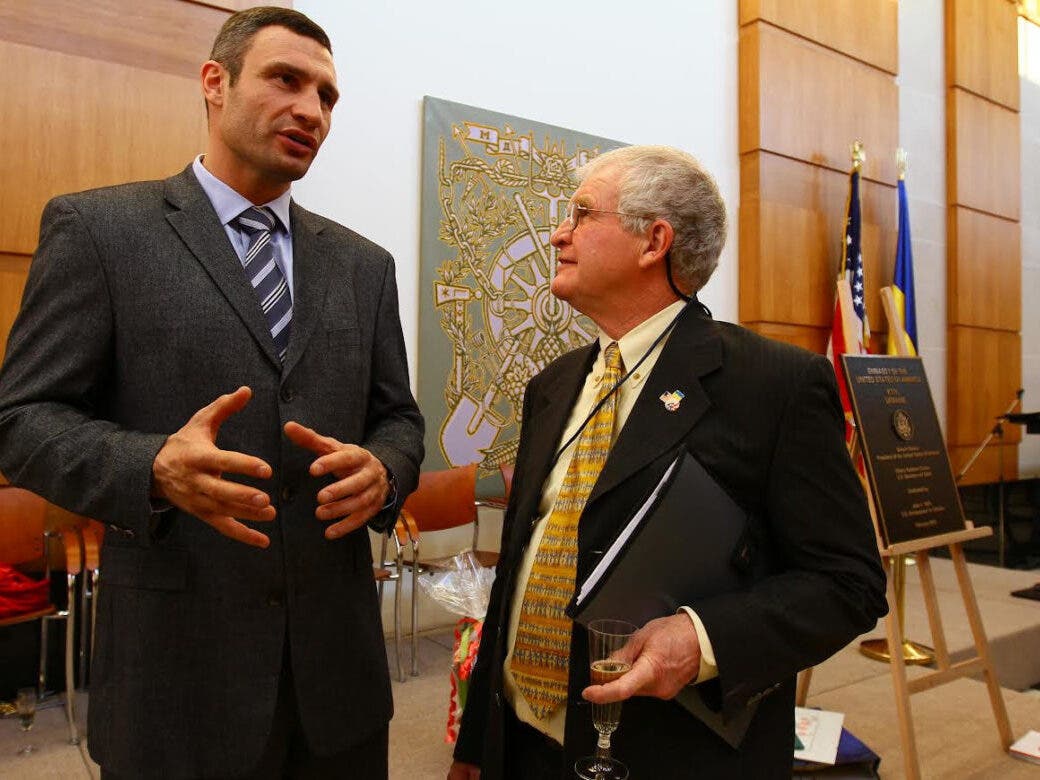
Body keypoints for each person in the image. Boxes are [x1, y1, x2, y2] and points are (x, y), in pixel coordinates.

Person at [0, 7, 423, 778]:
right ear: (214, 84)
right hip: (177, 678)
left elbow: (397, 416)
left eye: (327, 97)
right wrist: (151, 465)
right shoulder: (102, 231)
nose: (310, 110)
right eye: (285, 80)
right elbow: (23, 422)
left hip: (339, 683)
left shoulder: (365, 265)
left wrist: (387, 470)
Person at [448, 145, 887, 779]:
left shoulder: (775, 386)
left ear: (654, 241)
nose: (557, 233)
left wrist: (702, 639)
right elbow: (521, 561)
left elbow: (849, 583)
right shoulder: (552, 385)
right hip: (522, 744)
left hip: (668, 753)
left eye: (580, 214)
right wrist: (476, 744)